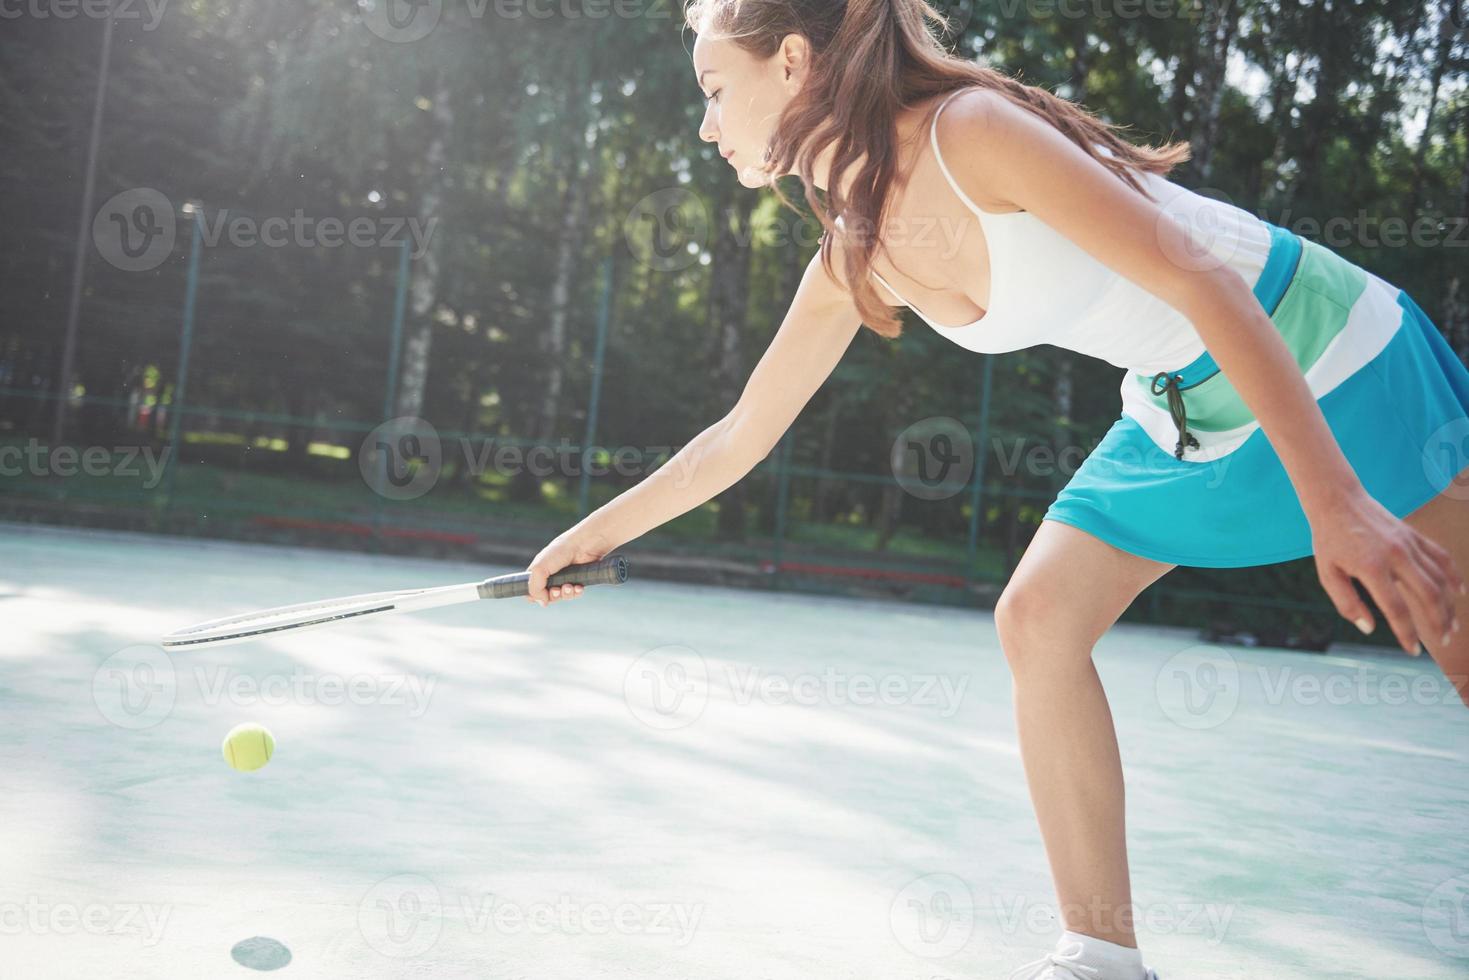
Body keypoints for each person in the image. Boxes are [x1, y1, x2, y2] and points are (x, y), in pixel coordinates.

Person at [523, 1, 1469, 977]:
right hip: (1174, 402)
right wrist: (585, 538)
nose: (705, 125)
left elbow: (1204, 284)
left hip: (1311, 342)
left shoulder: (966, 135)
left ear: (794, 62)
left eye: (715, 91)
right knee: (1037, 616)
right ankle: (1100, 953)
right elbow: (739, 436)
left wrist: (1334, 499)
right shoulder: (856, 247)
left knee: (1459, 644)